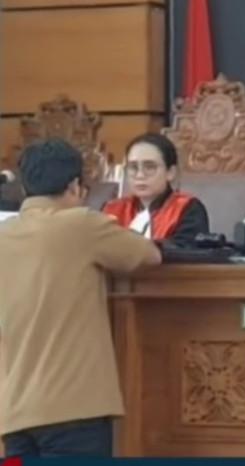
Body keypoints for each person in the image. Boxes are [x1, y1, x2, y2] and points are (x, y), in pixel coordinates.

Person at [0, 139, 162, 457]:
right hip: (73, 412)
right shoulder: (82, 224)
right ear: (75, 186)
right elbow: (148, 255)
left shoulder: (4, 236)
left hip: (14, 417)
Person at [103, 133, 209, 244]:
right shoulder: (113, 210)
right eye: (133, 167)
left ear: (170, 172)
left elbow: (186, 250)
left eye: (150, 167)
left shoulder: (187, 208)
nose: (140, 175)